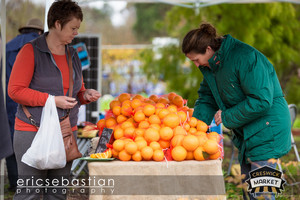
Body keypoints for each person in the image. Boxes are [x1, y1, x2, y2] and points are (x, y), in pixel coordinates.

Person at [182, 22, 291, 200]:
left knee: (262, 193)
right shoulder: (211, 66)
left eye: (196, 60)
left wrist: (226, 116)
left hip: (268, 127)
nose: (196, 65)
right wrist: (195, 130)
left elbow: (261, 100)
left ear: (208, 49)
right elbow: (207, 98)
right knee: (249, 189)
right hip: (248, 128)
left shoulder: (245, 57)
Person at [8, 0, 101, 199]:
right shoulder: (30, 51)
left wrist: (85, 95)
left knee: (58, 193)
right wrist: (51, 100)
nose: (76, 33)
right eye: (73, 28)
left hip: (66, 132)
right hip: (32, 131)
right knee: (29, 193)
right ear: (57, 24)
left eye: (78, 28)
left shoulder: (73, 54)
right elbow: (15, 91)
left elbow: (76, 91)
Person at [4, 18, 44, 192]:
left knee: (11, 138)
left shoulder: (7, 47)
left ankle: (15, 182)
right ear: (40, 32)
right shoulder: (40, 46)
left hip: (8, 99)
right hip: (32, 99)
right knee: (37, 138)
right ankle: (37, 184)